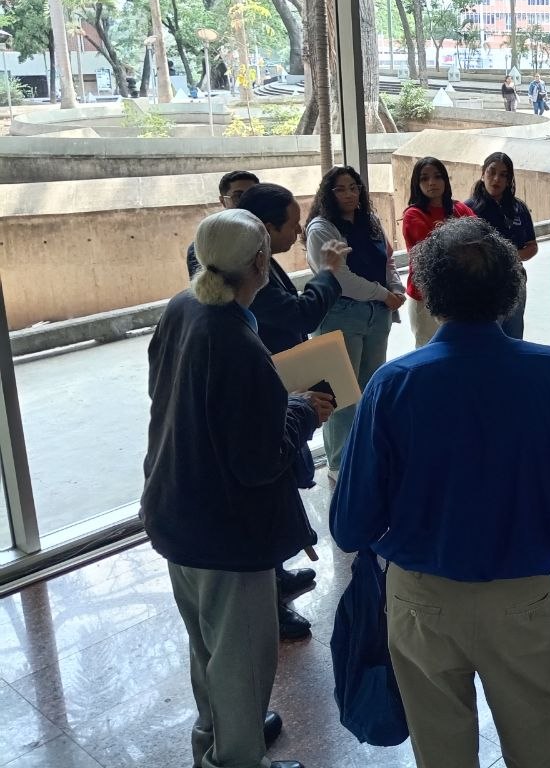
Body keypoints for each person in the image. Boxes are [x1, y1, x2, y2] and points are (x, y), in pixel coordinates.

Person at [330, 217, 550, 768]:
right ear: (511, 287)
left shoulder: (394, 384)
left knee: (442, 746)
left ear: (422, 290)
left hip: (422, 598)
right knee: (545, 740)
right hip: (522, 595)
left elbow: (350, 524)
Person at [142, 209, 335, 768]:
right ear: (260, 262)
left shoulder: (184, 308)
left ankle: (219, 744)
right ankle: (240, 759)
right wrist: (301, 411)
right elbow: (258, 462)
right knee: (242, 659)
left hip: (175, 509)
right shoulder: (236, 342)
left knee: (208, 649)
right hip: (226, 532)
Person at [237, 182, 349, 640]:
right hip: (273, 398)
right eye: (291, 223)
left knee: (284, 488)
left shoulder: (257, 270)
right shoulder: (245, 286)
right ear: (264, 232)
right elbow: (300, 314)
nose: (299, 229)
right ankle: (271, 605)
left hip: (285, 390)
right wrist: (329, 272)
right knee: (271, 498)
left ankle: (279, 577)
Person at [305, 165, 405, 475]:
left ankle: (363, 455)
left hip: (377, 315)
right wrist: (383, 295)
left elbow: (387, 259)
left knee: (369, 388)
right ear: (328, 194)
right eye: (340, 189)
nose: (349, 194)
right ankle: (339, 465)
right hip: (341, 315)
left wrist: (396, 289)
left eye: (354, 187)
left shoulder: (370, 221)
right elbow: (340, 278)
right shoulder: (321, 228)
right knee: (341, 396)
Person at [401, 157, 476, 347]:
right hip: (426, 296)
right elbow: (433, 252)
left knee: (459, 348)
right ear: (417, 184)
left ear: (445, 180)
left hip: (459, 293)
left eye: (437, 177)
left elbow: (481, 237)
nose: (432, 182)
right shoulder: (413, 214)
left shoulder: (459, 208)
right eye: (424, 178)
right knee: (428, 349)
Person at [465, 152, 538, 338]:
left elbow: (532, 246)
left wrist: (506, 255)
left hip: (515, 281)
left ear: (509, 180)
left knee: (514, 337)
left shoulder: (518, 208)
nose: (496, 179)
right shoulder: (468, 210)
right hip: (483, 286)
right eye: (492, 172)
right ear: (482, 174)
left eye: (503, 175)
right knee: (487, 338)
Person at [185, 169, 259, 276]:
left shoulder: (263, 235)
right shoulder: (205, 246)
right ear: (223, 201)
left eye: (253, 196)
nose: (248, 201)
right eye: (238, 196)